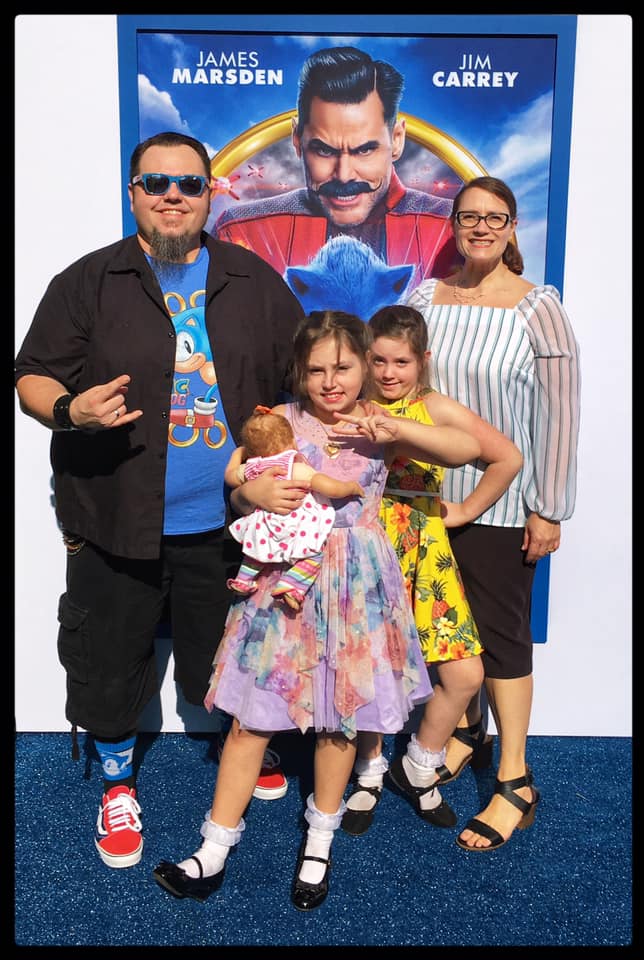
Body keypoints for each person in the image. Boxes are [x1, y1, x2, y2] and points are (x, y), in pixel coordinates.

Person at [14, 131, 306, 870]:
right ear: (134, 193)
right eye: (156, 183)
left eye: (188, 184)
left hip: (231, 525)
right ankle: (117, 783)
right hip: (114, 517)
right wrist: (69, 411)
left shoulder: (252, 279)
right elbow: (33, 375)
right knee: (110, 659)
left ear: (212, 194)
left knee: (228, 655)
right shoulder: (89, 281)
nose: (173, 195)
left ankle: (247, 747)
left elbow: (302, 380)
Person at [151, 310, 483, 910]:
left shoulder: (384, 421)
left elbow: (468, 449)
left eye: (345, 367)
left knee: (340, 722)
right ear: (299, 373)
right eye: (317, 370)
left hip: (356, 591)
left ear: (363, 367)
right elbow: (233, 474)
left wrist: (394, 433)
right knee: (251, 721)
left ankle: (319, 846)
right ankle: (214, 848)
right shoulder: (279, 419)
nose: (332, 382)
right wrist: (250, 492)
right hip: (282, 587)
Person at [406, 175, 581, 851]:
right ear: (453, 224)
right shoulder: (424, 298)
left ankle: (514, 779)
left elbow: (559, 414)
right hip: (429, 501)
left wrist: (549, 508)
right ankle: (466, 733)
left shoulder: (540, 309)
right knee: (450, 637)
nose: (480, 227)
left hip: (506, 505)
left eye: (494, 217)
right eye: (468, 216)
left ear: (512, 229)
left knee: (502, 638)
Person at [340, 304, 523, 836]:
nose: (388, 372)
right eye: (378, 360)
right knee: (371, 666)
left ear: (423, 360)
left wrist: (465, 511)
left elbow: (505, 457)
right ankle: (369, 770)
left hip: (426, 545)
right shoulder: (350, 404)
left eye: (401, 361)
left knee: (465, 673)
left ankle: (419, 764)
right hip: (369, 546)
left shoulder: (436, 407)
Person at [214, 46, 458, 285]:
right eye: (324, 150)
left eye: (364, 150)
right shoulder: (241, 231)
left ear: (397, 140)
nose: (344, 175)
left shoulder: (454, 229)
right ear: (297, 139)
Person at [224, 404, 364, 608]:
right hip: (292, 522)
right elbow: (328, 487)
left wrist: (238, 453)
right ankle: (291, 585)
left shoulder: (252, 467)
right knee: (313, 553)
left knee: (256, 549)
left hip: (264, 522)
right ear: (291, 441)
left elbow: (230, 477)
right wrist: (349, 487)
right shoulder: (294, 466)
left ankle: (243, 580)